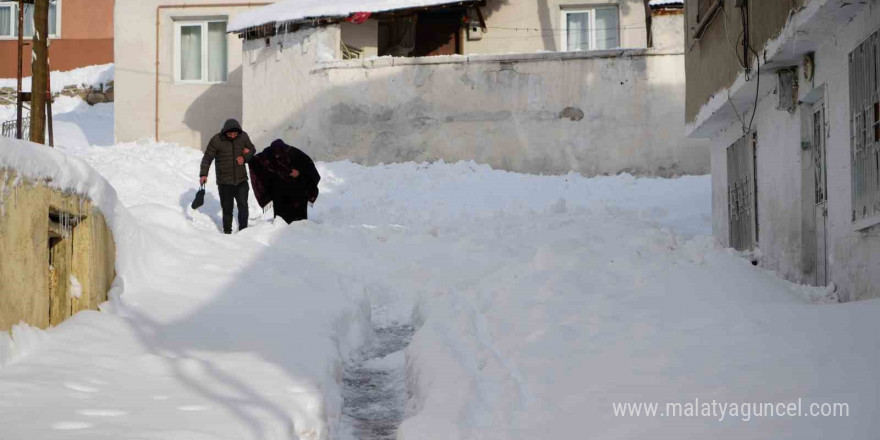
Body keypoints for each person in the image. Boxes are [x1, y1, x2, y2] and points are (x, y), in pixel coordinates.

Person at [199, 119, 255, 234]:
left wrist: (245, 158)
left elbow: (252, 149)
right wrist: (203, 174)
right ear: (225, 132)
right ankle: (227, 233)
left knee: (243, 206)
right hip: (224, 182)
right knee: (227, 209)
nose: (233, 136)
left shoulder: (243, 136)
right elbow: (207, 158)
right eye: (230, 134)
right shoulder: (216, 140)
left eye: (235, 134)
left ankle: (244, 232)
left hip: (241, 180)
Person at [248, 139, 320, 223]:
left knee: (298, 219)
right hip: (278, 190)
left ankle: (300, 230)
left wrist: (298, 173)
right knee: (281, 219)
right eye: (275, 153)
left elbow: (309, 168)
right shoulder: (267, 155)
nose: (277, 155)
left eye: (279, 153)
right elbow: (255, 161)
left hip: (296, 190)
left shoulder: (294, 153)